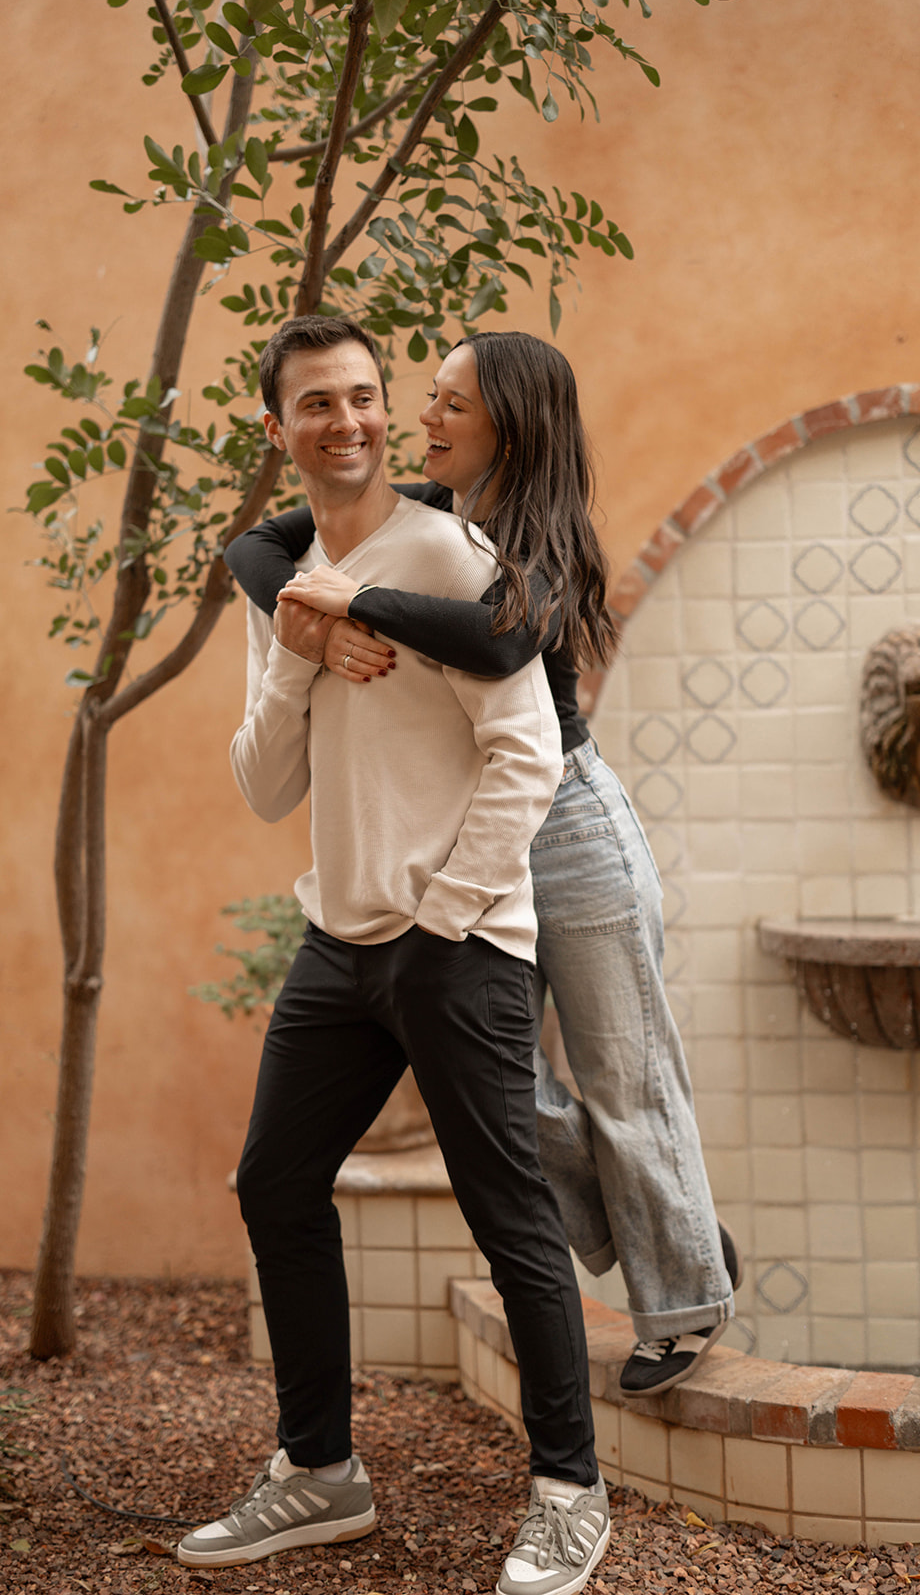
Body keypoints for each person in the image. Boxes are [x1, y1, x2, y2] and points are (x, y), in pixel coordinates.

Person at [179, 316, 611, 1595]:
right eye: (319, 404)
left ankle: (567, 1494)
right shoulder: (287, 575)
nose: (354, 421)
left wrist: (449, 913)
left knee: (506, 1216)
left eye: (369, 397)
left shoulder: (452, 550)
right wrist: (299, 654)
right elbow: (264, 785)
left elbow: (526, 748)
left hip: (457, 943)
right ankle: (319, 1471)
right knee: (273, 1183)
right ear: (280, 431)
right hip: (337, 939)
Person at [226, 329, 739, 1402]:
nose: (422, 420)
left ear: (507, 420)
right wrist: (302, 623)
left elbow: (502, 645)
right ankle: (663, 1222)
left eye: (447, 403)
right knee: (522, 1100)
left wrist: (350, 606)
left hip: (572, 828)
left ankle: (681, 1300)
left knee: (622, 1073)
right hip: (471, 829)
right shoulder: (428, 510)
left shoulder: (543, 538)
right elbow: (255, 550)